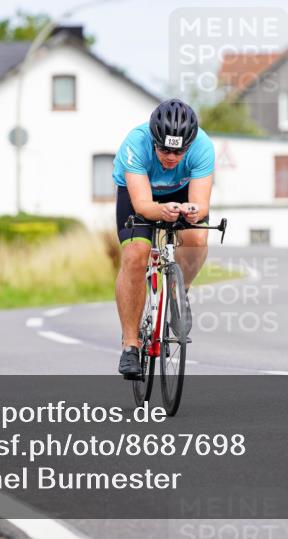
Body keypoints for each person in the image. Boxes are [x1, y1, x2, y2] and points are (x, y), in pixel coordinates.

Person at [111, 98, 215, 379]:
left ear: (190, 144)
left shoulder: (203, 146)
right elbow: (143, 205)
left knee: (196, 237)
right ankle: (130, 345)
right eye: (164, 149)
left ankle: (179, 293)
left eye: (179, 151)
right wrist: (160, 211)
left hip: (181, 192)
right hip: (139, 194)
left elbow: (201, 204)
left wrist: (193, 212)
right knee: (135, 255)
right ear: (153, 140)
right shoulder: (135, 143)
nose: (171, 157)